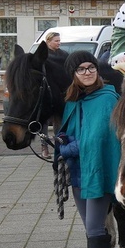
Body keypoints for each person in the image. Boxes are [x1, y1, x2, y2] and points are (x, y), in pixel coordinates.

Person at [55, 51, 121, 248]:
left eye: (90, 67)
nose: (87, 72)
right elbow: (68, 132)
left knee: (94, 228)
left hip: (98, 171)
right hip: (79, 173)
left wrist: (67, 149)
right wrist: (61, 141)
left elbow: (96, 140)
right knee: (92, 228)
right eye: (81, 69)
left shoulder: (106, 98)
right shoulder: (73, 100)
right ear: (73, 74)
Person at [41, 31, 69, 159]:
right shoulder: (41, 55)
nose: (59, 42)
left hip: (60, 94)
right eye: (56, 40)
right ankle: (44, 147)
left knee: (59, 121)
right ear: (48, 41)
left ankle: (58, 147)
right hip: (45, 94)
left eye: (59, 40)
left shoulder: (63, 55)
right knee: (44, 122)